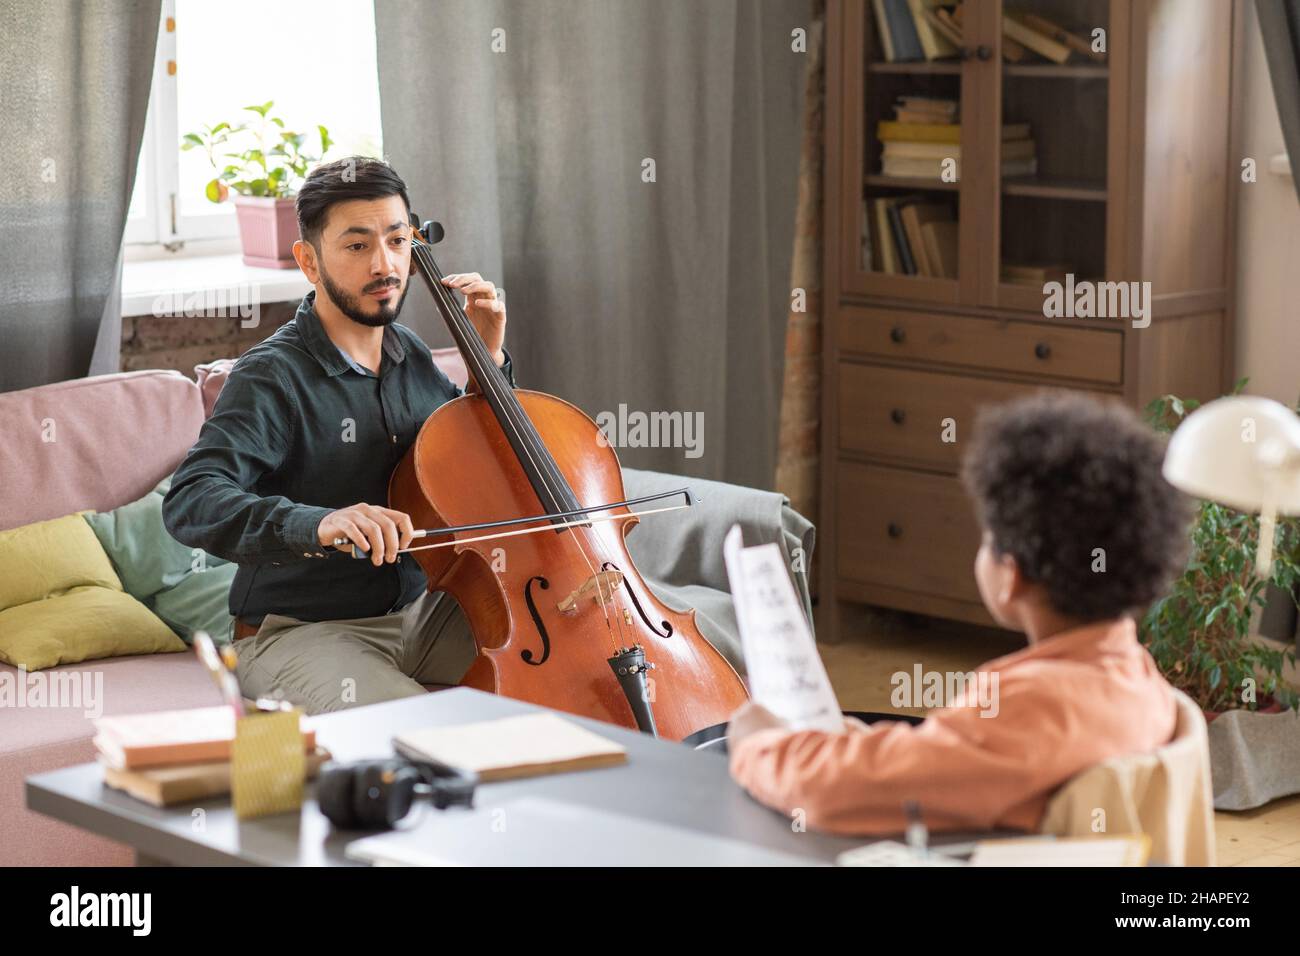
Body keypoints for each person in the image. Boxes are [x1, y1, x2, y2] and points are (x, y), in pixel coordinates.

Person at [727, 392, 1192, 835]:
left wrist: (759, 747)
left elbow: (833, 793)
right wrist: (847, 741)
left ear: (1011, 575)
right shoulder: (1136, 676)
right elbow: (942, 763)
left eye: (987, 537)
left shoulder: (1032, 709)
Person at [163, 156, 513, 715]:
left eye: (398, 242)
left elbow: (472, 461)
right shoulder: (271, 374)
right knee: (417, 732)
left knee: (602, 653)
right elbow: (192, 499)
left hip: (422, 615)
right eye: (357, 246)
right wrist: (318, 523)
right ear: (308, 260)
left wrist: (487, 360)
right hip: (303, 632)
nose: (386, 264)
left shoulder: (411, 354)